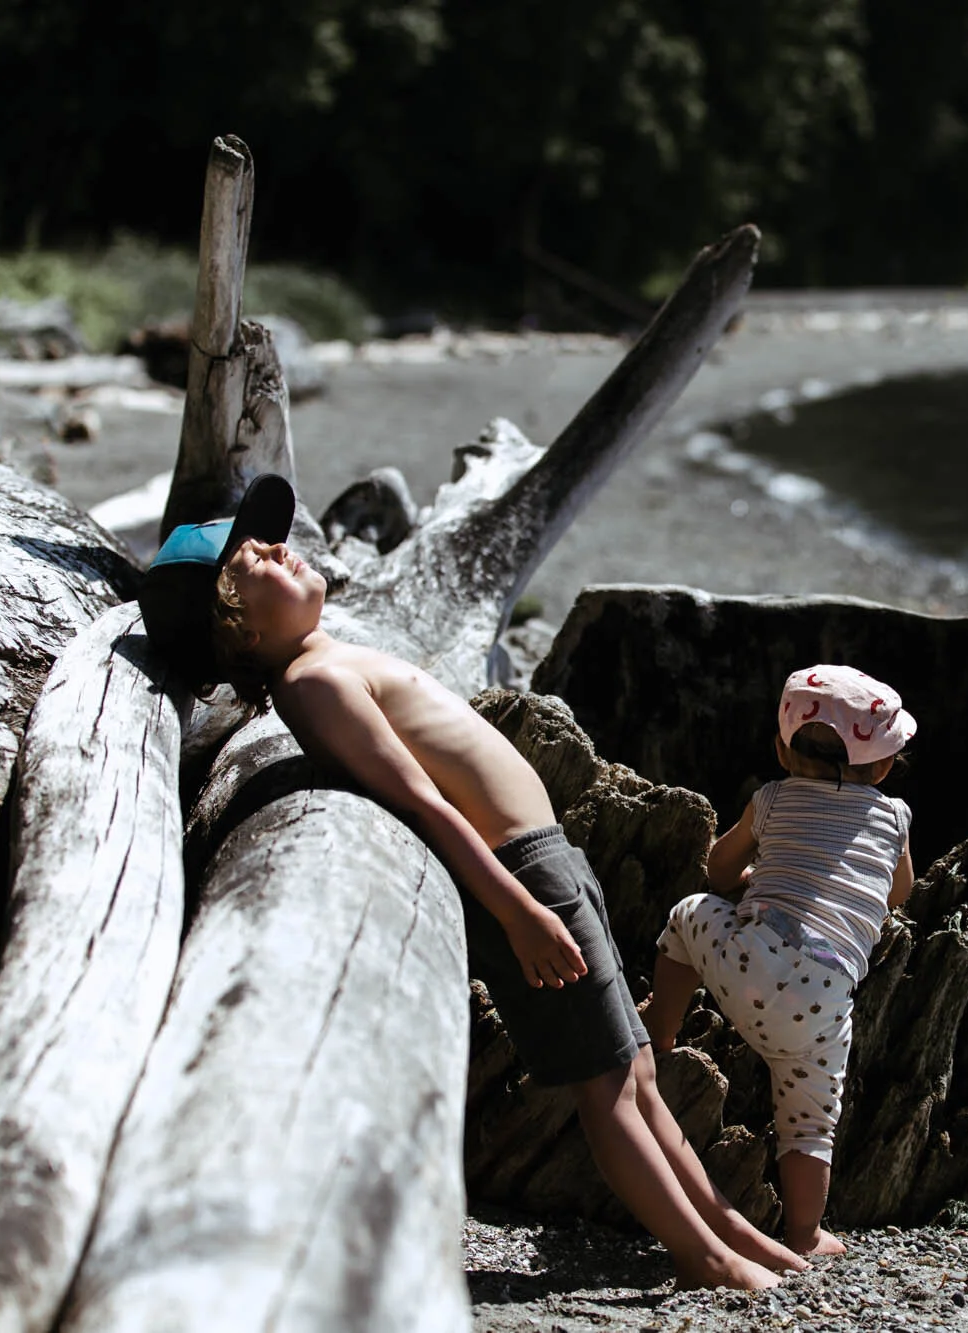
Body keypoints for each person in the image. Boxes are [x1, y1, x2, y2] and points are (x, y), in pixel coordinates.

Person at [135, 474, 802, 1291]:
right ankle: (704, 1257)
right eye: (254, 559)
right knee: (606, 1090)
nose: (280, 545)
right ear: (237, 627)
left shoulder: (321, 659)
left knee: (635, 1070)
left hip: (543, 858)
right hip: (516, 875)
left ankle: (731, 1229)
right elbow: (422, 799)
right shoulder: (312, 684)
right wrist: (518, 912)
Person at [641, 664, 917, 1258]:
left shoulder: (770, 799)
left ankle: (658, 1036)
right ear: (885, 765)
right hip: (824, 1001)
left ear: (782, 750)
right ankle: (805, 1234)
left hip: (752, 961)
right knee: (811, 1124)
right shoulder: (895, 818)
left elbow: (718, 871)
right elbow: (897, 893)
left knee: (690, 912)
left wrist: (753, 875)